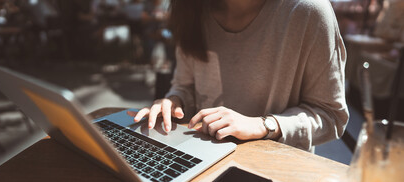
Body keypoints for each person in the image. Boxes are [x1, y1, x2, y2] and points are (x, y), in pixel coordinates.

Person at [129, 0, 349, 152]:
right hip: (200, 159)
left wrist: (264, 126)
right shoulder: (192, 10)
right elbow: (184, 86)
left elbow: (331, 116)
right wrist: (172, 103)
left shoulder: (308, 11)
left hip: (273, 173)